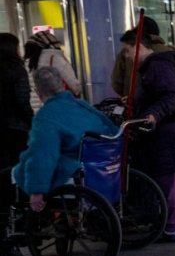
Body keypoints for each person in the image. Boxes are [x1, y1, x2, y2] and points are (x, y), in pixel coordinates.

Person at [119, 30, 175, 242]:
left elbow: (172, 95)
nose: (127, 56)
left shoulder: (156, 66)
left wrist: (153, 113)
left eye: (127, 51)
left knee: (169, 181)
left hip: (168, 133)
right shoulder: (157, 66)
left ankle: (171, 228)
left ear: (138, 47)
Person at [12, 67, 117, 212]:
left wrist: (36, 191)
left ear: (37, 92)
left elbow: (43, 156)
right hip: (102, 166)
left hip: (74, 169)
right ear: (62, 84)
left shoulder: (46, 117)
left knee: (12, 176)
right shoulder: (82, 105)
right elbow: (112, 130)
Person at [111, 17, 175, 99]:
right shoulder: (169, 52)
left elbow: (116, 82)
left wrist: (129, 95)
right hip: (162, 104)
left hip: (134, 105)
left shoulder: (127, 51)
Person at [0, 33, 33, 169]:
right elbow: (22, 101)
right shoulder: (16, 69)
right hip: (17, 128)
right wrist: (32, 122)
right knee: (19, 167)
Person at [24, 31, 81, 98]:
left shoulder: (26, 63)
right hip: (56, 103)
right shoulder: (55, 58)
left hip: (36, 106)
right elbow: (73, 84)